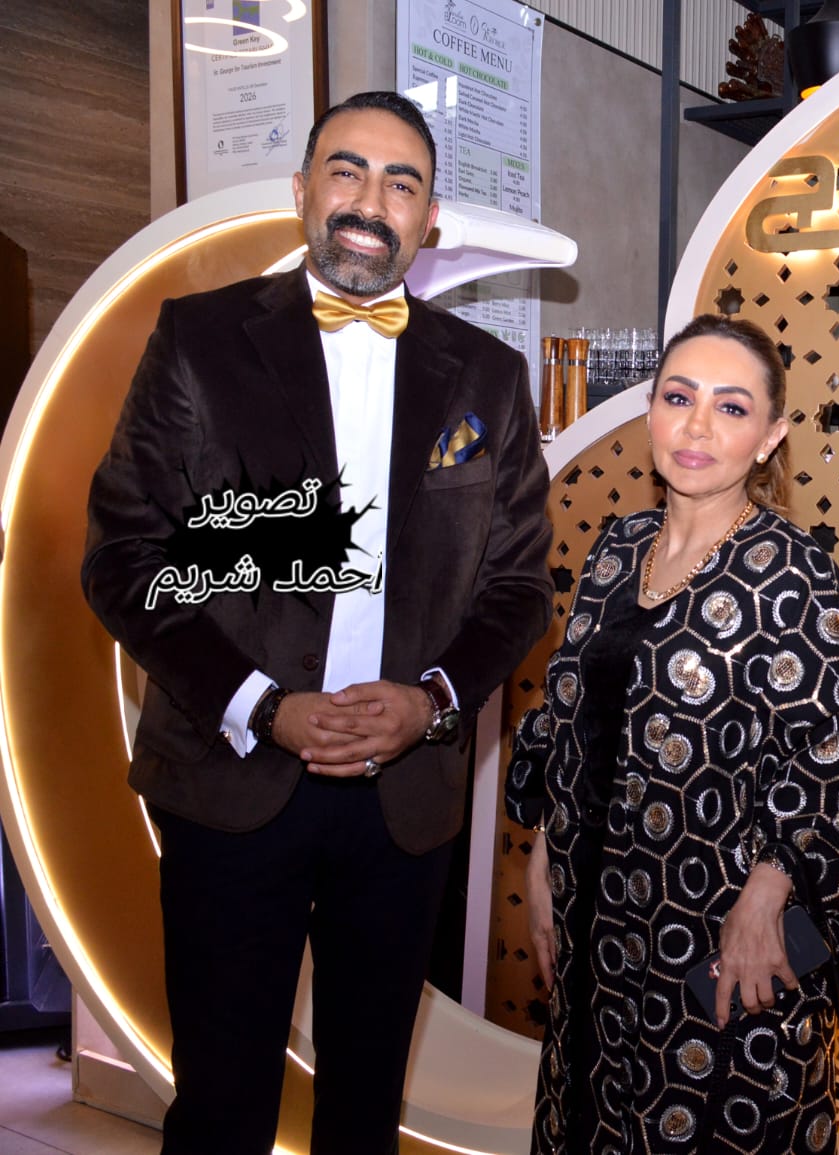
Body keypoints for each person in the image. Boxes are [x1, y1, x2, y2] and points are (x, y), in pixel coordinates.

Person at [81, 91, 553, 1155]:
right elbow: (124, 557)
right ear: (302, 191)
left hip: (404, 801)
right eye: (348, 171)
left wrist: (431, 702)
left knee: (363, 1108)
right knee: (221, 1104)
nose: (370, 203)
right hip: (230, 777)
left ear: (430, 218)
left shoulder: (489, 375)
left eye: (402, 183)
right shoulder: (199, 339)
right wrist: (262, 704)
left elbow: (518, 584)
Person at [505, 314, 839, 1154]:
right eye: (679, 398)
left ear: (771, 436)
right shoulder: (618, 548)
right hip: (598, 919)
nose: (698, 426)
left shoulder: (792, 571)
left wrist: (769, 893)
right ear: (651, 411)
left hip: (714, 930)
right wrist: (542, 850)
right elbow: (569, 716)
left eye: (732, 407)